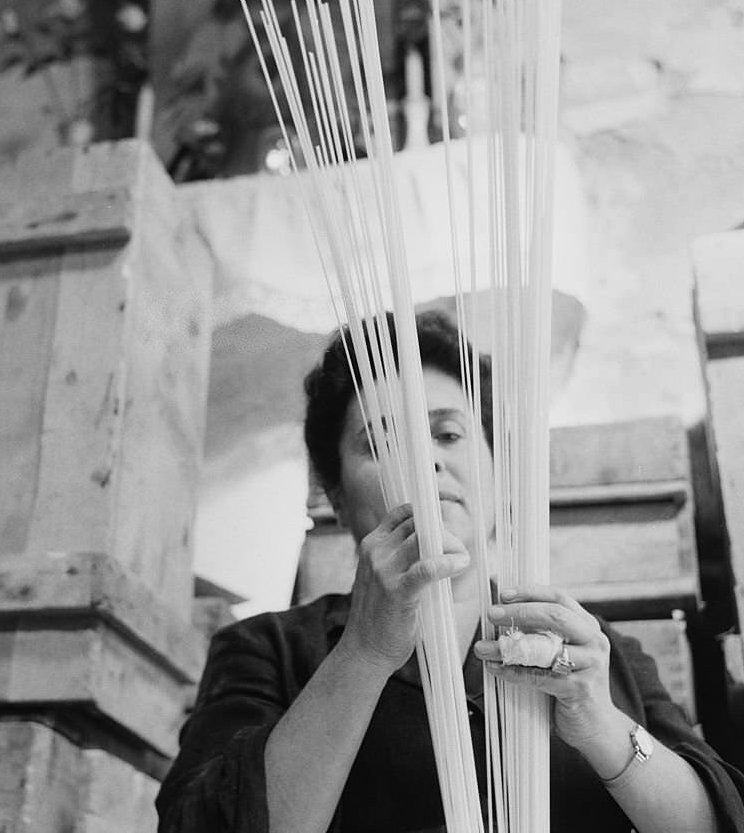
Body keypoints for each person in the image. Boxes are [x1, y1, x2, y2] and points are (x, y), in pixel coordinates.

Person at [156, 311, 744, 832]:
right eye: (383, 440)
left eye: (447, 433)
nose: (425, 458)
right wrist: (363, 653)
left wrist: (598, 724)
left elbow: (719, 821)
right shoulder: (267, 650)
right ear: (335, 495)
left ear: (497, 473)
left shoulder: (600, 655)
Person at [156, 0, 337, 181]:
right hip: (240, 162)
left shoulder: (326, 17)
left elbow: (345, 89)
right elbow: (191, 107)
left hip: (318, 157)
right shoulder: (216, 34)